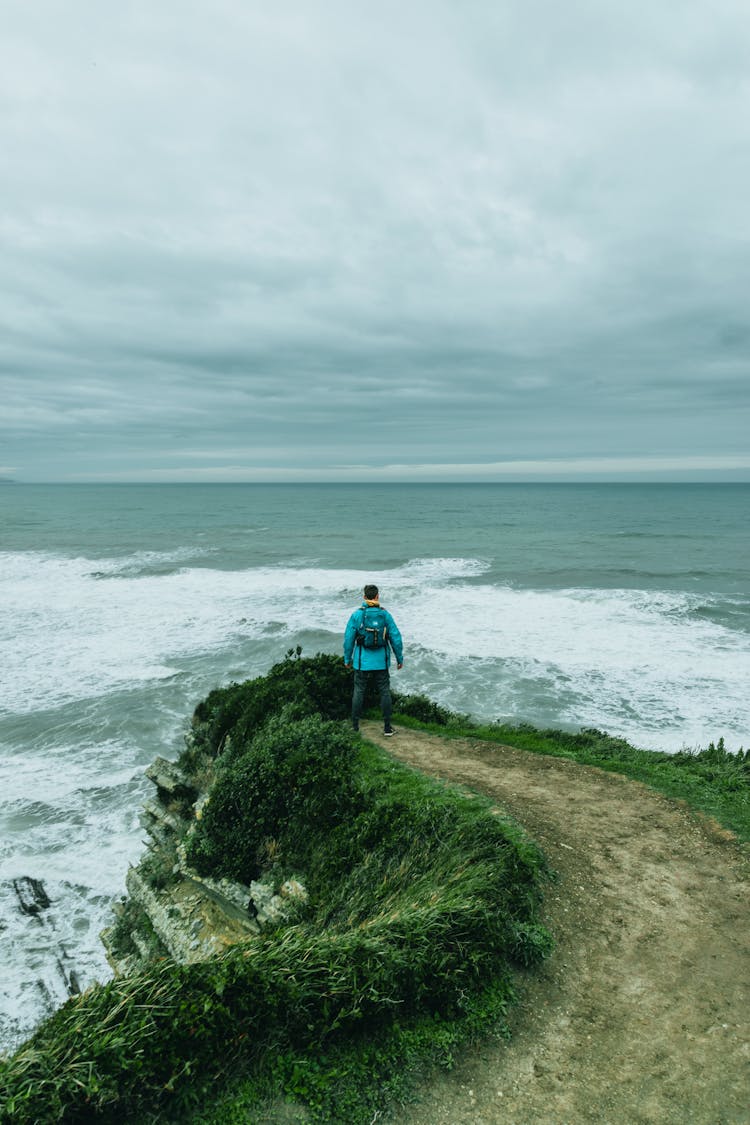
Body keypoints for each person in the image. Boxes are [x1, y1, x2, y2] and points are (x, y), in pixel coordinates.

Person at [344, 584, 403, 735]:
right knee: (384, 692)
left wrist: (347, 658)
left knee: (359, 691)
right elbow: (395, 637)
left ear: (364, 597)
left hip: (361, 661)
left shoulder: (357, 615)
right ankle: (387, 728)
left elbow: (349, 639)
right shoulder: (385, 615)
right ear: (377, 596)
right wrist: (399, 658)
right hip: (381, 662)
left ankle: (355, 726)